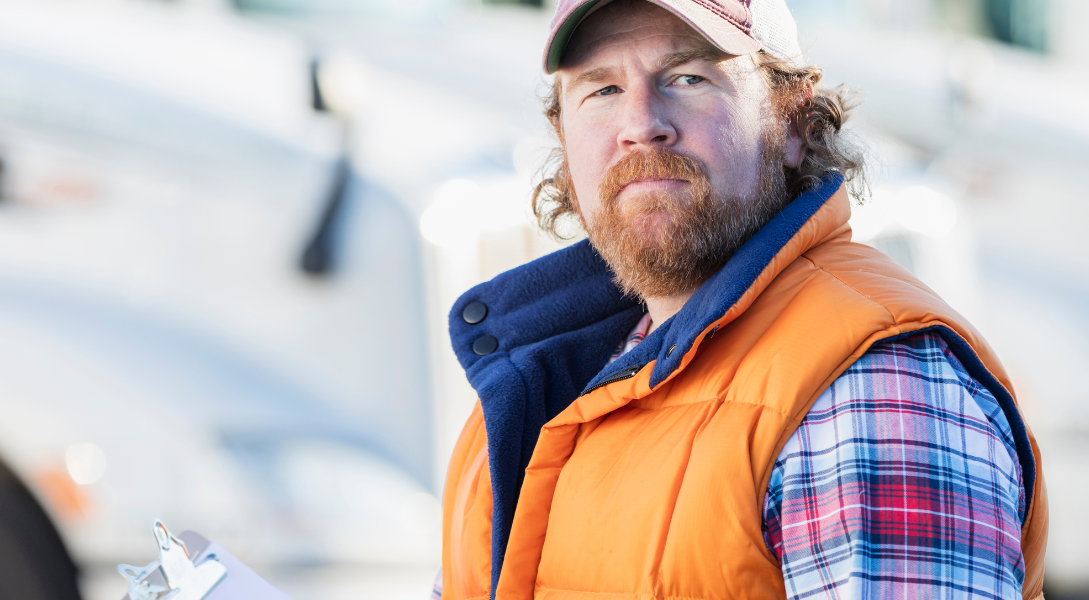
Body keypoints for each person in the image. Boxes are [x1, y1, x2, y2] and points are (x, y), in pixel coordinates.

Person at [434, 0, 1046, 598]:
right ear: (563, 138)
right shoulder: (525, 395)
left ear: (792, 125)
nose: (642, 123)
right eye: (603, 90)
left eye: (688, 77)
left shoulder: (871, 386)